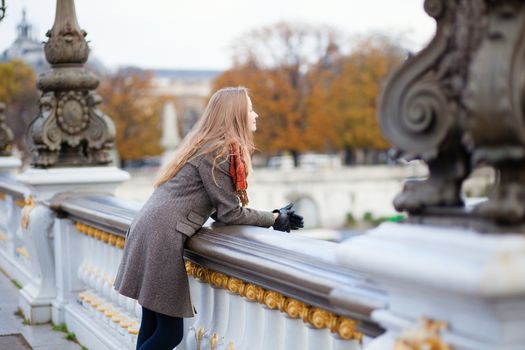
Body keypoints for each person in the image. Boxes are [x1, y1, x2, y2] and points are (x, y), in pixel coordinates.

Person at [113, 86, 304, 350]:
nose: (255, 114)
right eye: (250, 109)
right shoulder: (220, 152)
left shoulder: (206, 146)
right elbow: (229, 213)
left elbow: (218, 207)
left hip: (150, 228)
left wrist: (271, 215)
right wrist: (274, 218)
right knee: (169, 333)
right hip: (163, 235)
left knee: (152, 325)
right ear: (236, 114)